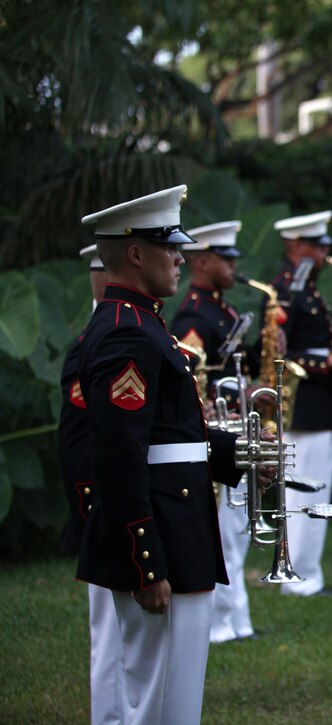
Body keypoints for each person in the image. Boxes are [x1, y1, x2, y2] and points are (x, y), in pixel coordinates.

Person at [76, 186, 246, 724]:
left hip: (181, 530)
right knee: (158, 703)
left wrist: (237, 453)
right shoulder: (127, 333)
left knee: (175, 700)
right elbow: (120, 456)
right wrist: (144, 563)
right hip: (162, 541)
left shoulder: (145, 324)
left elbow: (170, 437)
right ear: (134, 253)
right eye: (169, 247)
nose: (180, 257)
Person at [170, 220, 257, 643]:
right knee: (224, 531)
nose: (234, 264)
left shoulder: (221, 309)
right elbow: (190, 377)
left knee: (235, 530)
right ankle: (224, 622)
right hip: (216, 428)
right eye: (225, 257)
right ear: (201, 261)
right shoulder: (193, 313)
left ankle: (237, 618)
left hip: (234, 424)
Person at [271, 211, 332, 596]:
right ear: (295, 246)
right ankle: (298, 576)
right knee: (303, 490)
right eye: (316, 245)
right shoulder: (286, 290)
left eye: (325, 245)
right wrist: (327, 361)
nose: (324, 252)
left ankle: (309, 572)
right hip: (303, 404)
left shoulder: (307, 289)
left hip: (320, 403)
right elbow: (278, 352)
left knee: (315, 491)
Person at [58, 243, 126, 725]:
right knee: (109, 630)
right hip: (102, 503)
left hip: (122, 501)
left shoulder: (118, 332)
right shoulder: (91, 344)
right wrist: (92, 512)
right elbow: (81, 444)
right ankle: (108, 718)